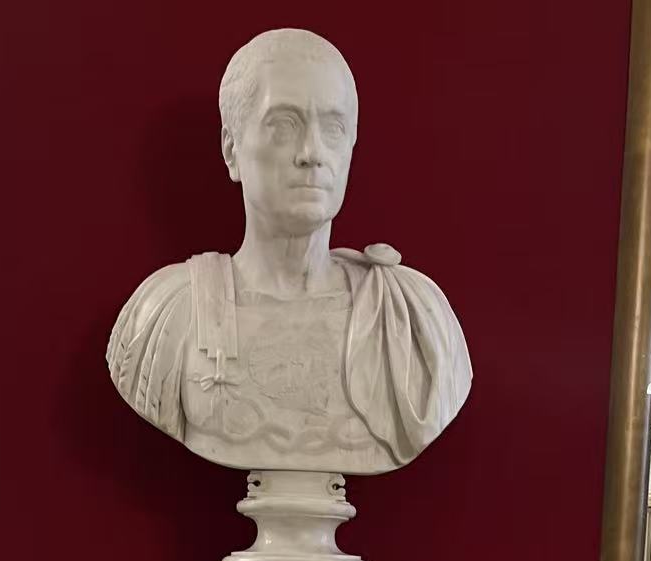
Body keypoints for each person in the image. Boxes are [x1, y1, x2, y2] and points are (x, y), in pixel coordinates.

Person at [107, 28, 471, 477]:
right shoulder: (169, 312)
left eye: (333, 128)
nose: (312, 153)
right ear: (231, 149)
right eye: (284, 124)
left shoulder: (410, 316)